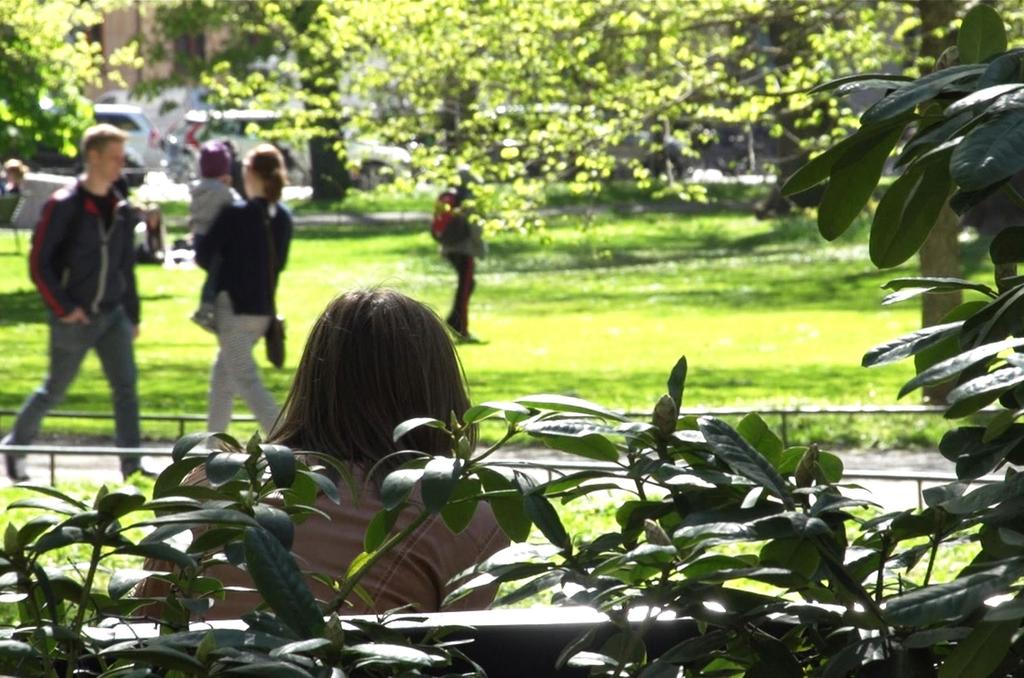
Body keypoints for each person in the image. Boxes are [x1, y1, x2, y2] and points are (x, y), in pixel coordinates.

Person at [141, 288, 508, 616]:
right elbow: (459, 651)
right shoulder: (466, 514)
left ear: (312, 383)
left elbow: (143, 622)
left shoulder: (211, 483)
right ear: (441, 394)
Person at [1, 125, 144, 481]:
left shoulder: (120, 207)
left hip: (113, 315)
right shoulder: (64, 205)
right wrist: (64, 308)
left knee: (126, 388)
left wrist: (133, 314)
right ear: (93, 156)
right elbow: (39, 264)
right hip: (74, 319)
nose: (120, 165)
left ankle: (132, 466)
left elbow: (126, 265)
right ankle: (15, 447)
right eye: (114, 157)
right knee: (54, 390)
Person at [195, 143, 291, 435]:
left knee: (247, 382)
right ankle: (211, 455)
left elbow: (203, 255)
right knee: (223, 378)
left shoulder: (235, 214)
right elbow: (280, 264)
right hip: (263, 311)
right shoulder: (283, 217)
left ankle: (290, 445)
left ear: (249, 173)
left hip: (233, 309)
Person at [188, 140, 240, 331]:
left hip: (199, 239)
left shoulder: (198, 189)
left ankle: (215, 312)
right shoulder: (223, 192)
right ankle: (205, 310)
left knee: (216, 277)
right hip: (215, 242)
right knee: (216, 276)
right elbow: (239, 206)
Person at [437, 168, 487, 342]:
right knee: (464, 289)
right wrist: (481, 247)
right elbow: (475, 227)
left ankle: (453, 321)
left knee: (468, 285)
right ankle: (462, 330)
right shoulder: (468, 199)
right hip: (464, 249)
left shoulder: (450, 195)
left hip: (449, 247)